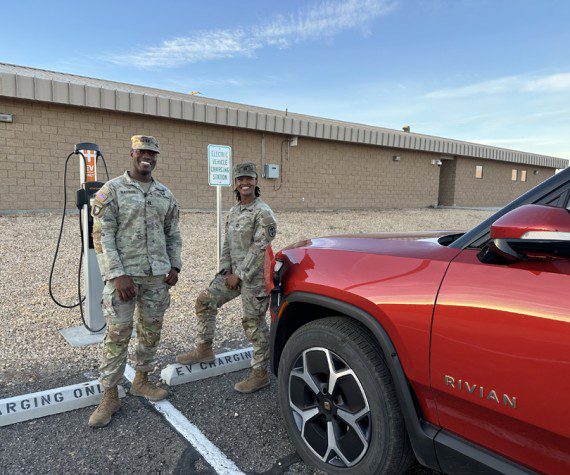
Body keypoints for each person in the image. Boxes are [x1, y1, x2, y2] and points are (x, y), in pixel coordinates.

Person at [88, 135, 182, 428]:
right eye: (142, 151)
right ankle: (109, 396)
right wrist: (116, 274)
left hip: (157, 278)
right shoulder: (112, 190)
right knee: (117, 337)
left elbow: (173, 233)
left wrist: (175, 265)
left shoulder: (165, 194)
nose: (147, 157)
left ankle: (141, 380)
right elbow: (101, 236)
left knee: (150, 332)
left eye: (152, 153)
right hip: (123, 280)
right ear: (132, 153)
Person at [177, 162, 276, 393]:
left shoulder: (264, 212)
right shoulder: (234, 212)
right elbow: (227, 245)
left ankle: (260, 374)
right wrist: (224, 271)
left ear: (256, 182)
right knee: (205, 300)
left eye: (249, 179)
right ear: (235, 183)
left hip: (255, 278)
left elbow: (260, 247)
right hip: (232, 276)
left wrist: (240, 275)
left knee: (253, 324)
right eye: (241, 179)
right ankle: (204, 349)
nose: (245, 183)